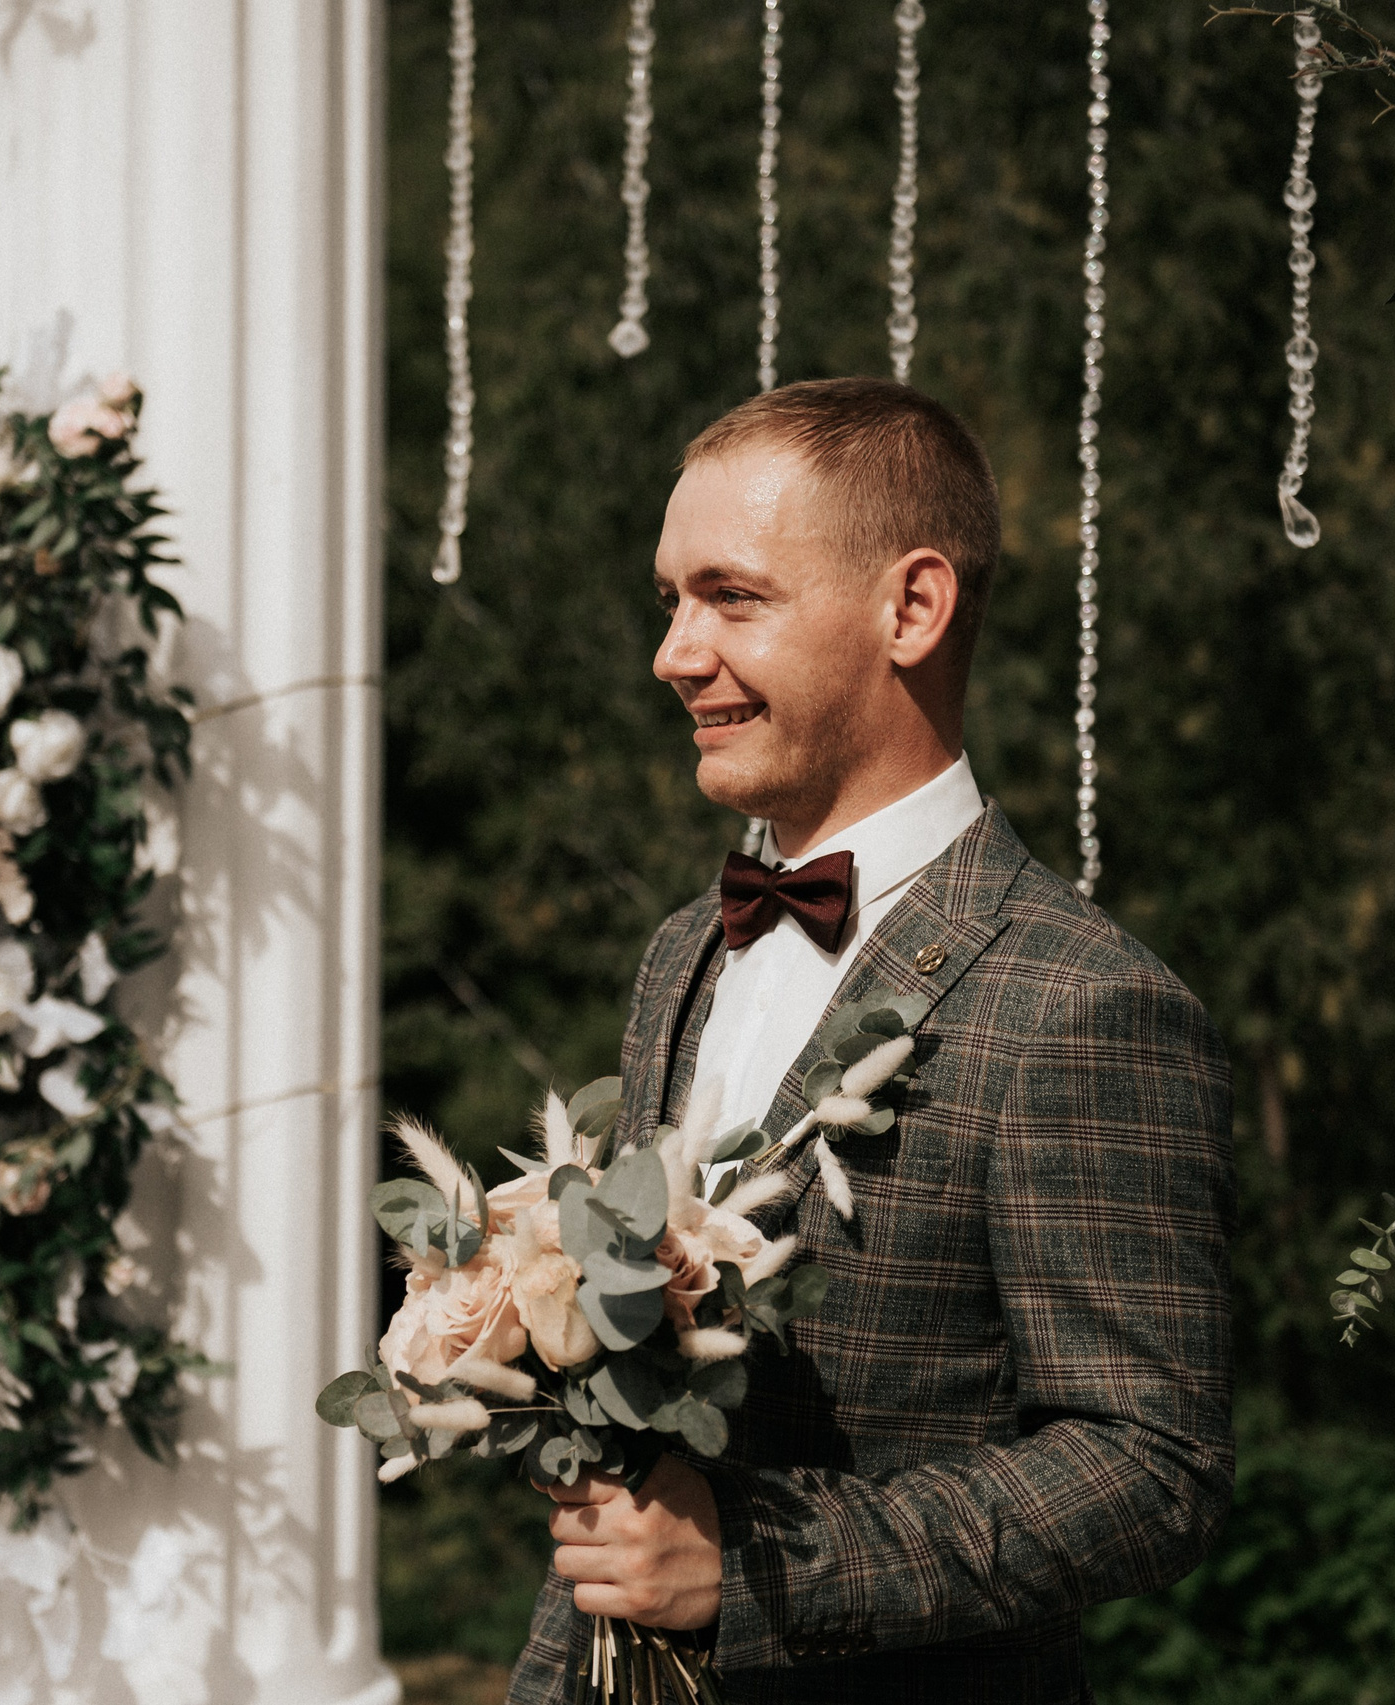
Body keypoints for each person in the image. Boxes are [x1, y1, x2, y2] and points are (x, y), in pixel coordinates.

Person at [507, 378, 1236, 1705]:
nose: (674, 650)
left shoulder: (1080, 1002)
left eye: (731, 596)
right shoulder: (683, 951)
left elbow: (1151, 1463)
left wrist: (768, 1565)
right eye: (671, 598)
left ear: (913, 607)